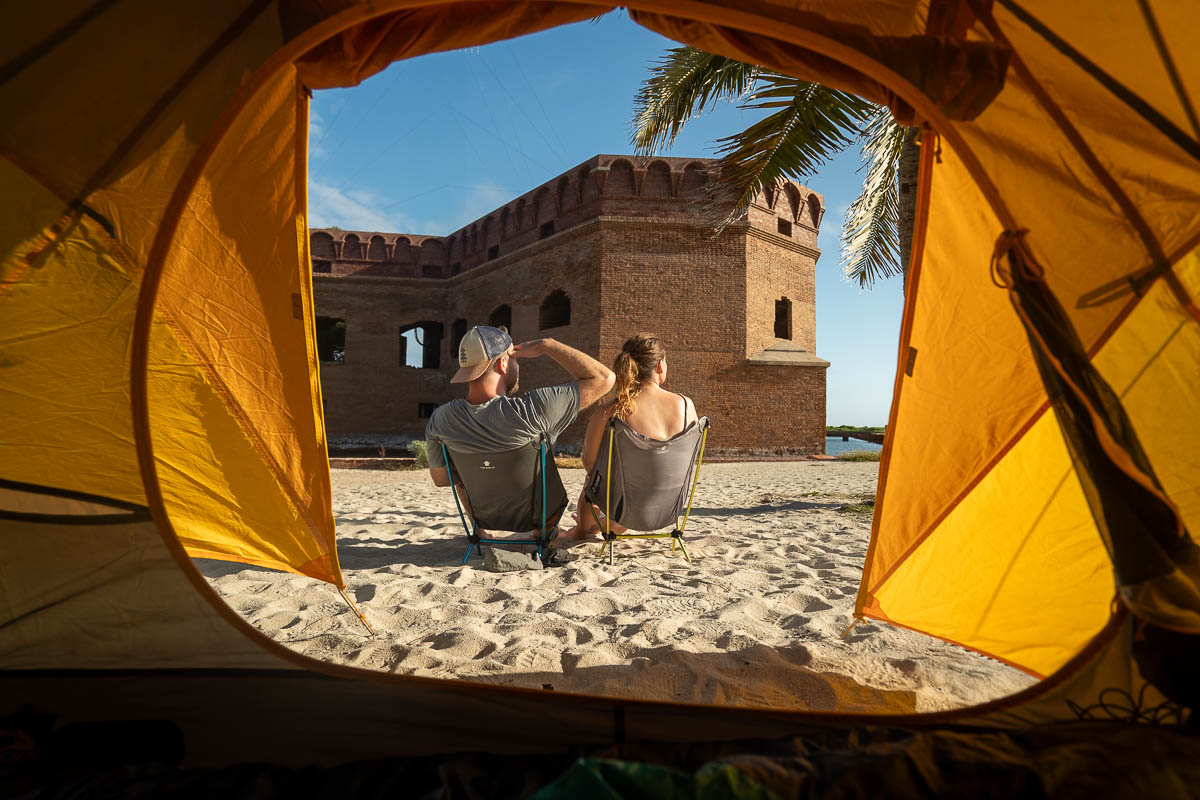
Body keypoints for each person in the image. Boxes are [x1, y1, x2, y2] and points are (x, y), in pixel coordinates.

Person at [425, 325, 615, 536]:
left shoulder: (440, 419)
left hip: (487, 515)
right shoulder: (533, 409)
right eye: (515, 359)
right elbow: (604, 379)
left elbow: (442, 480)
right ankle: (542, 532)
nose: (517, 364)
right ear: (503, 363)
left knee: (461, 472)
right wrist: (548, 345)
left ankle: (481, 530)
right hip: (537, 517)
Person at [563, 333, 698, 542]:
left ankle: (582, 530)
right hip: (670, 507)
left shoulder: (610, 412)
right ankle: (608, 524)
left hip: (625, 507)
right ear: (660, 366)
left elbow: (589, 463)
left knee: (592, 479)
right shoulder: (686, 405)